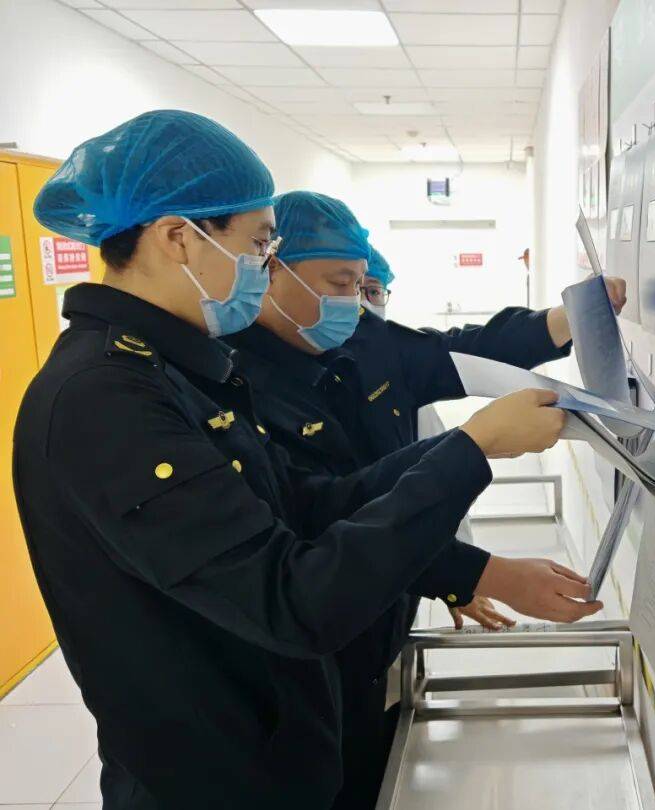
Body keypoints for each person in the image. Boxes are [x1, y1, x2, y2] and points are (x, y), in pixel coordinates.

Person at [14, 110, 599, 810]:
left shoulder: (183, 371)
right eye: (259, 244)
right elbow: (291, 601)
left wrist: (469, 448)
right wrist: (471, 451)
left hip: (278, 746)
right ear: (178, 238)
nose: (264, 266)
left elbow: (307, 505)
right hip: (212, 781)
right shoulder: (106, 399)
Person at [224, 189, 625, 807]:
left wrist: (562, 322)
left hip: (383, 615)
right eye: (338, 283)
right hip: (305, 650)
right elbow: (332, 516)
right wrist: (476, 569)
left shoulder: (366, 339)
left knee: (375, 761)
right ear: (272, 269)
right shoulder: (236, 387)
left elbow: (459, 352)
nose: (353, 302)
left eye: (363, 285)